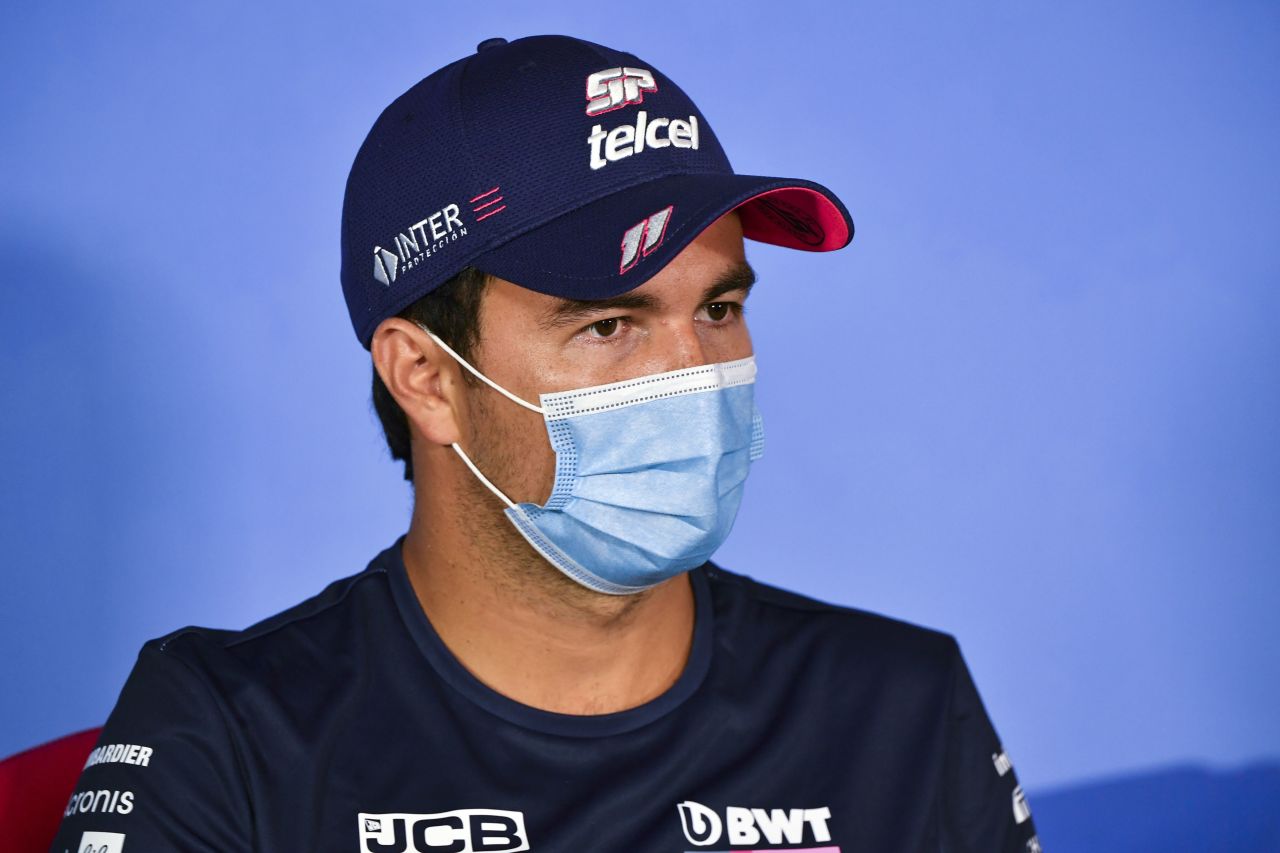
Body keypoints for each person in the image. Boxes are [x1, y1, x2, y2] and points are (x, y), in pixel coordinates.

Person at [51, 35, 1040, 853]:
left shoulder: (898, 709)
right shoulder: (229, 732)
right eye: (608, 325)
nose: (691, 373)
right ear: (425, 378)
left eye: (720, 307)